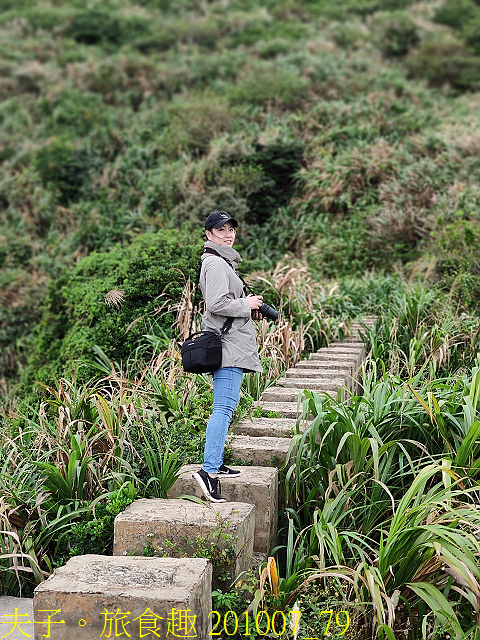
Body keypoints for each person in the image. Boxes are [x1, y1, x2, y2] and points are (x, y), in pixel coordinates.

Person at [193, 211, 264, 503]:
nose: (228, 233)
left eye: (231, 228)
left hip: (230, 343)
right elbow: (217, 303)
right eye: (220, 229)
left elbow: (226, 303)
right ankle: (208, 472)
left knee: (226, 407)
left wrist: (248, 307)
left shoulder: (222, 263)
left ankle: (216, 462)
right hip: (228, 346)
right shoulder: (215, 263)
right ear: (208, 234)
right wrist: (245, 303)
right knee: (223, 408)